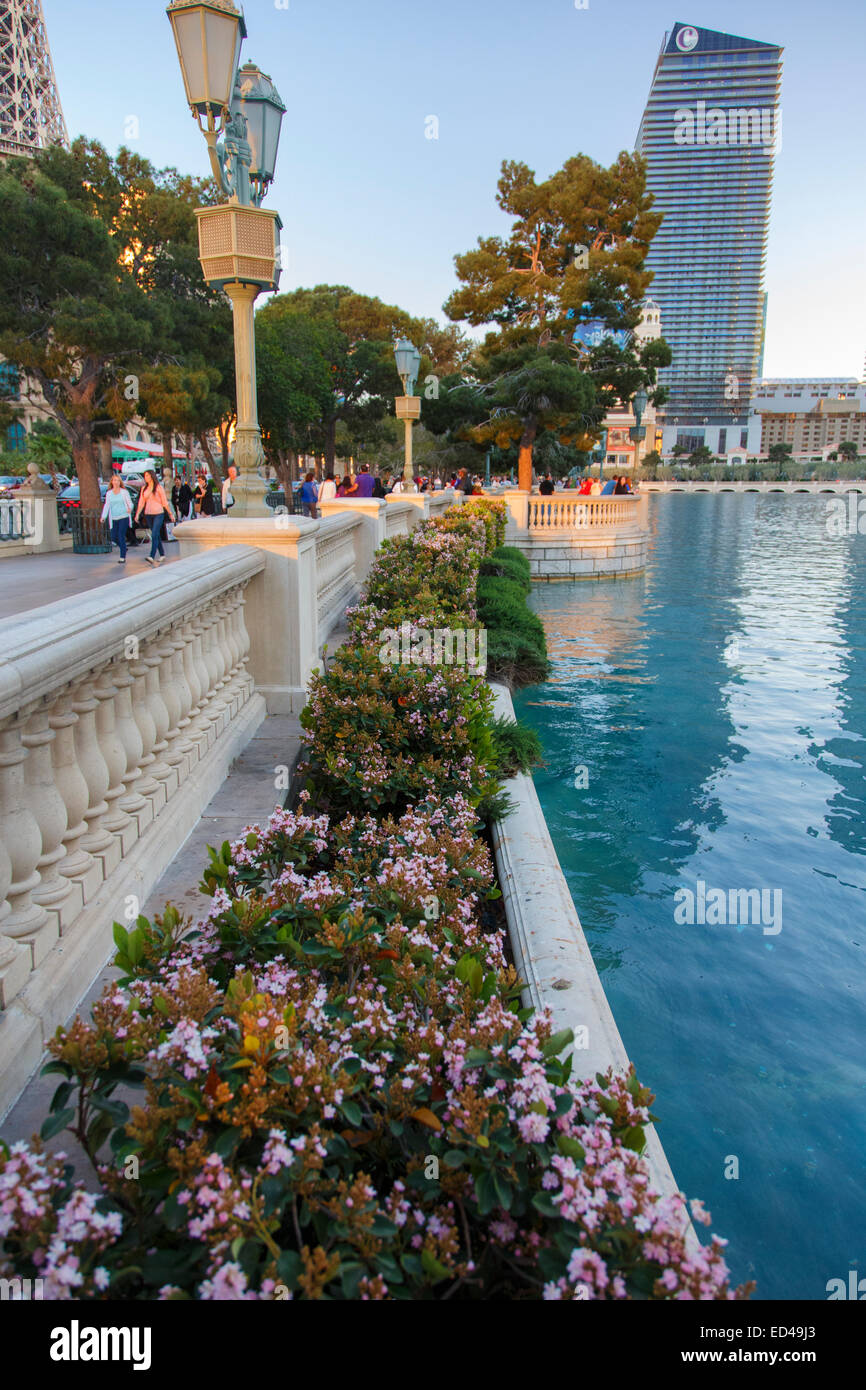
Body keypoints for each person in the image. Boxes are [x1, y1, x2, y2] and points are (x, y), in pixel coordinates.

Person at [135, 468, 174, 565]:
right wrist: (137, 514)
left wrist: (170, 513)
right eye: (145, 476)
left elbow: (164, 502)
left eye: (147, 475)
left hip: (158, 513)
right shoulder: (144, 488)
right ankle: (162, 554)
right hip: (148, 514)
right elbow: (141, 502)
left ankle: (151, 556)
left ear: (152, 476)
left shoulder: (158, 487)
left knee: (154, 534)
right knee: (155, 534)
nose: (146, 477)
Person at [100, 473, 134, 564]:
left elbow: (130, 503)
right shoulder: (109, 493)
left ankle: (122, 557)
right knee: (113, 536)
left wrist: (130, 508)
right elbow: (107, 505)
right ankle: (124, 548)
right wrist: (103, 516)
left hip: (124, 517)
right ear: (112, 482)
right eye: (114, 480)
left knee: (120, 535)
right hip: (114, 518)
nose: (116, 482)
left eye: (118, 480)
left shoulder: (124, 492)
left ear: (120, 482)